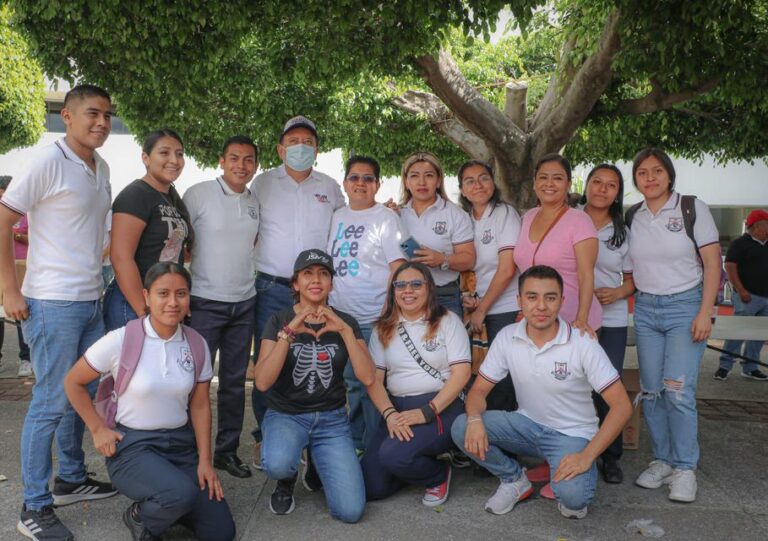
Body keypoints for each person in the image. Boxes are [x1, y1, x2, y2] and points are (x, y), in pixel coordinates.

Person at [0, 84, 117, 541]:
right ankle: (33, 506)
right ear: (67, 115)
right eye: (92, 113)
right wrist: (9, 289)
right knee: (49, 403)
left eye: (107, 115)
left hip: (90, 299)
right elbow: (4, 221)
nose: (102, 122)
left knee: (80, 391)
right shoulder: (48, 161)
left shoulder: (101, 166)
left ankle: (70, 477)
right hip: (51, 302)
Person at [63, 262, 235, 541]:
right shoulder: (121, 339)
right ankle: (140, 516)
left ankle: (173, 504)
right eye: (163, 293)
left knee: (220, 533)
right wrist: (97, 429)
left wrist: (205, 461)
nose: (172, 302)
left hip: (181, 446)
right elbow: (73, 382)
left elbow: (200, 405)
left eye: (181, 294)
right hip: (134, 447)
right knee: (179, 493)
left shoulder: (196, 344)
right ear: (146, 296)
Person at [451, 265, 632, 519]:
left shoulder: (582, 342)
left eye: (550, 297)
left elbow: (622, 406)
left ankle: (564, 474)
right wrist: (474, 420)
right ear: (519, 301)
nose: (541, 306)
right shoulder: (507, 336)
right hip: (527, 426)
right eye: (532, 297)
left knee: (574, 499)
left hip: (571, 434)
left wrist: (587, 456)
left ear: (562, 301)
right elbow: (479, 390)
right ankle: (514, 479)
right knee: (461, 427)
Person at [249, 116, 344, 472]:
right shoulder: (262, 184)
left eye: (307, 142)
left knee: (320, 358)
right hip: (272, 288)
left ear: (317, 150)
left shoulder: (330, 187)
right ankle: (265, 435)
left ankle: (316, 434)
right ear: (280, 149)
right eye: (293, 141)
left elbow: (347, 223)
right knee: (268, 362)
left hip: (317, 292)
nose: (300, 147)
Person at [627, 148, 721, 503]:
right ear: (636, 179)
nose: (650, 178)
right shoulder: (633, 215)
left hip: (685, 307)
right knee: (652, 391)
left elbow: (712, 264)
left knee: (678, 391)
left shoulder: (691, 208)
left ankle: (685, 468)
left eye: (657, 171)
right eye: (642, 173)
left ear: (669, 174)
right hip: (646, 309)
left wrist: (705, 311)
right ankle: (662, 460)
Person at [253, 249, 374, 522]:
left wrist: (344, 331)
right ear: (296, 284)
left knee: (351, 511)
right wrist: (288, 334)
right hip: (287, 415)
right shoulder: (279, 320)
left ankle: (316, 462)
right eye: (307, 274)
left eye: (323, 274)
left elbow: (367, 378)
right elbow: (262, 382)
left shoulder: (346, 322)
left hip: (332, 420)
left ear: (331, 283)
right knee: (278, 463)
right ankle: (287, 477)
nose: (316, 280)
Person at [183, 136, 261, 478]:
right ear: (221, 160)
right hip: (204, 302)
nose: (241, 165)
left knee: (234, 383)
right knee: (194, 381)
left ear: (255, 165)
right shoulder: (198, 194)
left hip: (244, 303)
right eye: (234, 158)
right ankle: (188, 453)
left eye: (248, 159)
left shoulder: (254, 200)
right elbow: (180, 243)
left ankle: (225, 452)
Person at [362, 262, 471, 507]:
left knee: (393, 454)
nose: (407, 290)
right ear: (393, 291)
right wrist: (389, 414)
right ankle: (409, 462)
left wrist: (426, 412)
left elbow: (462, 374)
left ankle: (437, 474)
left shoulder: (447, 320)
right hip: (397, 409)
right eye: (400, 285)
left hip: (440, 406)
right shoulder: (382, 328)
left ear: (429, 288)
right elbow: (374, 381)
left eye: (415, 284)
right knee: (371, 487)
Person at [327, 155, 407, 452]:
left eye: (368, 178)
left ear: (378, 184)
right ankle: (357, 442)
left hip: (373, 317)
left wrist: (387, 313)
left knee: (370, 383)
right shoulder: (337, 215)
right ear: (345, 183)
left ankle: (371, 448)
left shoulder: (386, 218)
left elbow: (399, 267)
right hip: (339, 317)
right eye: (354, 177)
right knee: (350, 383)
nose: (360, 183)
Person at [104, 129, 191, 332]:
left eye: (179, 154)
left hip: (161, 304)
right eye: (164, 153)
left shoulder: (171, 197)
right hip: (132, 305)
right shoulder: (135, 195)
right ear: (146, 158)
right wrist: (143, 311)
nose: (174, 160)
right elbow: (120, 257)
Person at [580, 164, 635, 484]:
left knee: (608, 386)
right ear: (586, 185)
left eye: (611, 185)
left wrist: (618, 292)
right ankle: (575, 448)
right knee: (574, 385)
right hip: (573, 316)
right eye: (597, 182)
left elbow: (633, 280)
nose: (602, 189)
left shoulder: (623, 232)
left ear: (617, 194)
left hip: (611, 319)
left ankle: (611, 456)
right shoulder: (570, 218)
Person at [513, 153, 601, 336]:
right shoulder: (527, 217)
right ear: (535, 183)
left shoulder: (580, 221)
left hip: (572, 321)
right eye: (543, 177)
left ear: (568, 184)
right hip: (536, 321)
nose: (549, 183)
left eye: (558, 178)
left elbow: (586, 275)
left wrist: (581, 319)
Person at [458, 160, 521, 411]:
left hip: (502, 309)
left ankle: (502, 431)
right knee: (474, 375)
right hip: (474, 309)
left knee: (501, 379)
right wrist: (466, 297)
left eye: (483, 178)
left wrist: (482, 309)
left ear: (493, 183)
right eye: (470, 181)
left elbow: (507, 269)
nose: (478, 185)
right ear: (462, 190)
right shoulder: (463, 219)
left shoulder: (504, 214)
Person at [398, 151, 475, 318]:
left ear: (439, 181)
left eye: (429, 175)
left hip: (443, 296)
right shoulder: (396, 215)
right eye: (414, 176)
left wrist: (442, 259)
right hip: (404, 296)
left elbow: (469, 259)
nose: (421, 182)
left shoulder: (455, 214)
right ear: (406, 182)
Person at [714, 209, 768, 381]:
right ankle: (725, 366)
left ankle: (750, 367)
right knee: (737, 332)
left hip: (766, 297)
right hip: (747, 296)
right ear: (757, 226)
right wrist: (741, 290)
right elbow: (730, 267)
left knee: (759, 334)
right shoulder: (739, 244)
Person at [0, 175, 32, 377]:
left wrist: (16, 235)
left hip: (23, 266)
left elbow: (36, 238)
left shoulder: (28, 212)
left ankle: (26, 359)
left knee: (21, 313)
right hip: (2, 269)